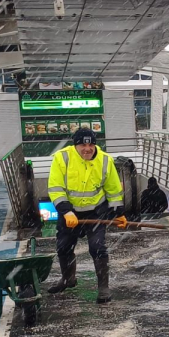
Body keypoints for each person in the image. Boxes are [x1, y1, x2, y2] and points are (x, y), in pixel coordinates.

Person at [46, 128, 126, 303]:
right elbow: (56, 188)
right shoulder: (62, 158)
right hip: (70, 213)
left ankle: (103, 288)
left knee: (97, 248)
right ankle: (68, 279)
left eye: (91, 144)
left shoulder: (105, 160)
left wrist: (118, 213)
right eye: (83, 144)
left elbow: (113, 190)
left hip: (96, 212)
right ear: (75, 145)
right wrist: (66, 212)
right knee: (64, 247)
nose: (87, 149)